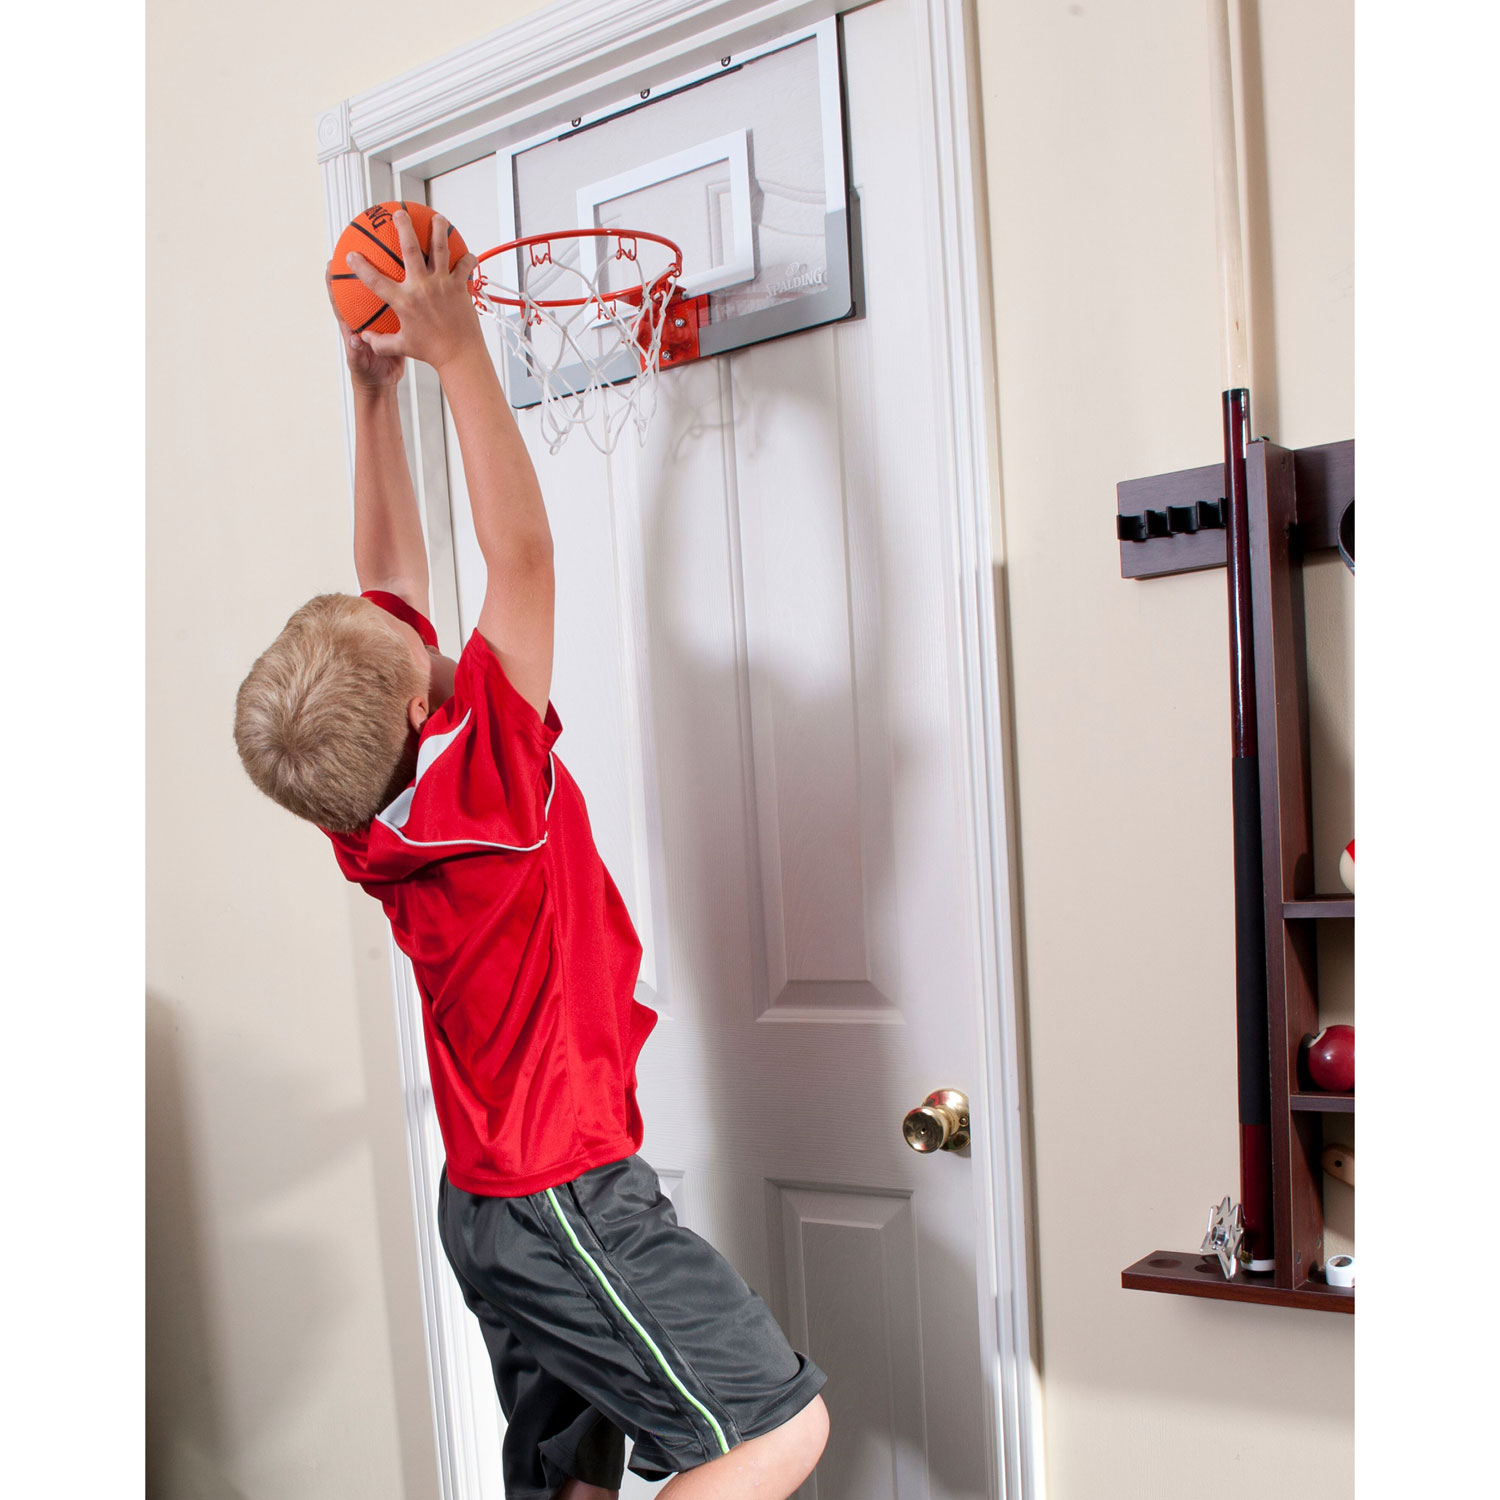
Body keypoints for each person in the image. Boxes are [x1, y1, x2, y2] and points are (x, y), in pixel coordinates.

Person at [233, 209, 828, 1500]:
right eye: (409, 647)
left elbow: (386, 571)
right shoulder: (484, 781)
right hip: (567, 1206)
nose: (418, 623)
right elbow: (526, 554)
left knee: (569, 1481)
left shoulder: (376, 817)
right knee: (776, 1435)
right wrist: (456, 358)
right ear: (418, 712)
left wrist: (371, 399)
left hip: (499, 1209)